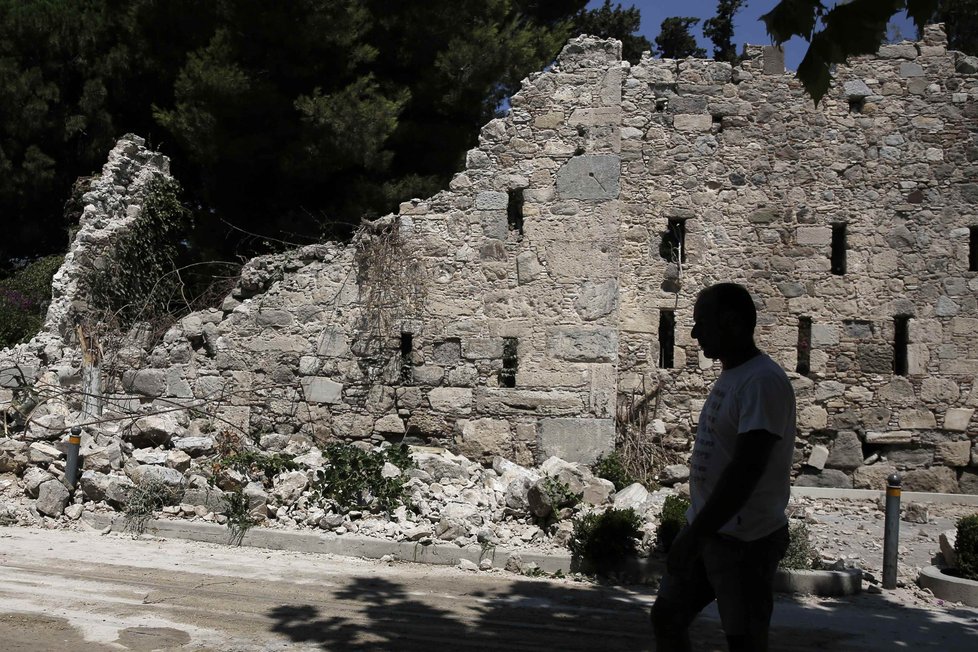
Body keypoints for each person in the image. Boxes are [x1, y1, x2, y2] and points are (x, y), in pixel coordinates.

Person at [651, 282, 797, 652]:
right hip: (710, 531)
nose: (695, 333)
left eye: (702, 322)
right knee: (667, 617)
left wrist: (695, 534)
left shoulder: (762, 382)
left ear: (730, 322)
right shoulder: (735, 375)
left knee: (744, 642)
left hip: (744, 543)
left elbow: (746, 470)